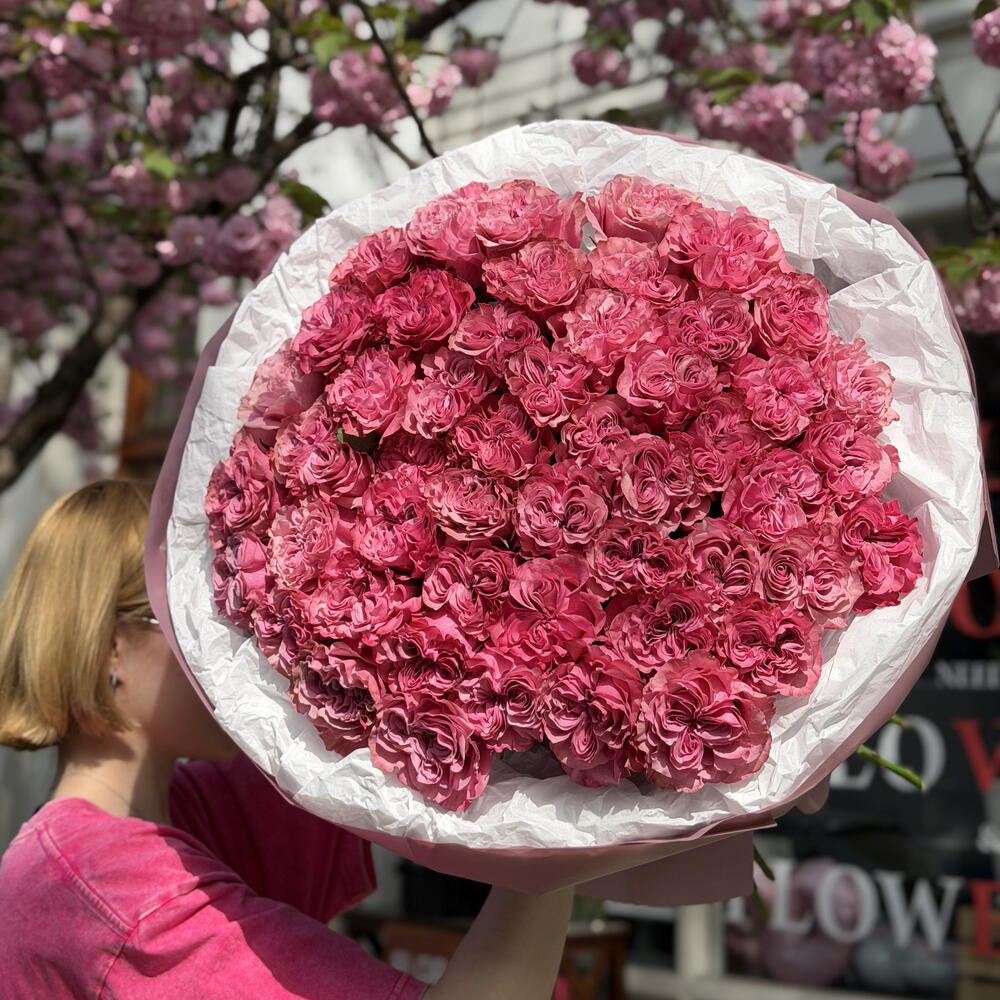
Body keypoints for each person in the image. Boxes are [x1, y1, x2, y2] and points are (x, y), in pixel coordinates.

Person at [0, 479, 574, 999]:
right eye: (186, 618)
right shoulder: (112, 887)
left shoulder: (182, 812)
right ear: (112, 649)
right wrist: (562, 816)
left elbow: (348, 750)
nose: (221, 640)